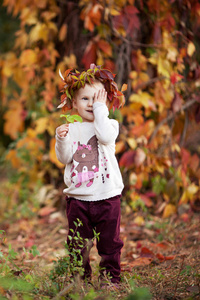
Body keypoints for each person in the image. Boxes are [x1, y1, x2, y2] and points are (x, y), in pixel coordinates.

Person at [55, 64, 125, 286]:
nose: (91, 104)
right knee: (78, 242)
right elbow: (65, 158)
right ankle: (79, 279)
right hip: (78, 199)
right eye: (85, 99)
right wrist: (61, 139)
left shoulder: (110, 125)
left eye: (96, 99)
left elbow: (104, 136)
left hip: (107, 197)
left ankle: (110, 278)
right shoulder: (71, 129)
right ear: (74, 103)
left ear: (105, 103)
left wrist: (101, 110)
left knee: (110, 242)